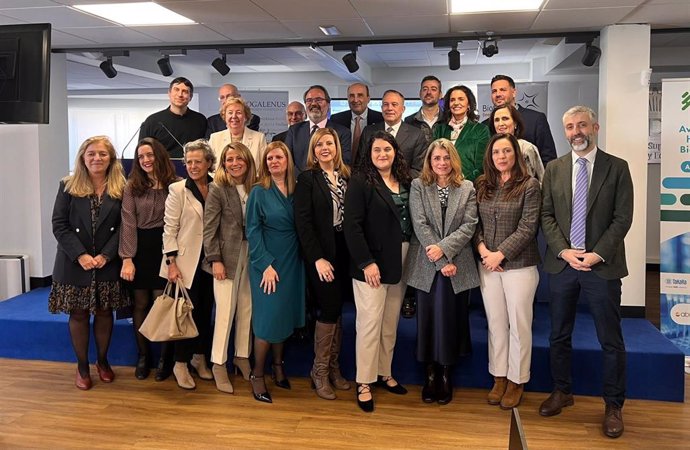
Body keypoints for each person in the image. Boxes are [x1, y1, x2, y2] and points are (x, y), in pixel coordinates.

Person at [540, 106, 633, 439]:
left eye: (581, 125)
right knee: (558, 335)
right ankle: (562, 391)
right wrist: (564, 251)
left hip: (601, 267)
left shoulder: (617, 168)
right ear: (564, 132)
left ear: (594, 127)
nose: (576, 131)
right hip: (563, 265)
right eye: (569, 127)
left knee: (610, 340)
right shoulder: (554, 168)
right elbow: (546, 215)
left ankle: (613, 405)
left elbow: (622, 219)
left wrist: (595, 255)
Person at [48, 135, 127, 390]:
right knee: (79, 314)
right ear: (83, 157)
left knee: (105, 313)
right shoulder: (68, 185)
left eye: (102, 154)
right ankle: (82, 367)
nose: (97, 158)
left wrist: (106, 254)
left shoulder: (122, 187)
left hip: (107, 261)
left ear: (111, 158)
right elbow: (59, 225)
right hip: (74, 263)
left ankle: (102, 362)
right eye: (91, 153)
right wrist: (80, 255)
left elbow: (126, 227)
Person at [406, 138, 479, 405]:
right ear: (429, 161)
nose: (441, 163)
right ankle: (430, 374)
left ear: (454, 160)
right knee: (428, 319)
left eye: (446, 158)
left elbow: (469, 225)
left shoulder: (468, 187)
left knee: (451, 319)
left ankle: (446, 372)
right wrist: (438, 259)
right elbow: (420, 224)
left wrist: (445, 251)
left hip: (458, 264)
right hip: (427, 263)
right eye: (436, 158)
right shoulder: (418, 186)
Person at [344, 131, 413, 412]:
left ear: (395, 151)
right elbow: (352, 225)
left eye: (387, 149)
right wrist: (366, 262)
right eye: (376, 151)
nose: (382, 154)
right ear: (369, 155)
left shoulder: (405, 180)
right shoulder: (361, 181)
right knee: (370, 324)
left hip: (402, 258)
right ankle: (364, 381)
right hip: (371, 263)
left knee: (389, 322)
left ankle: (384, 373)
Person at [474, 133, 541, 410]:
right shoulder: (482, 185)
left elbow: (528, 227)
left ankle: (517, 380)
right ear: (490, 156)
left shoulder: (529, 185)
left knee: (519, 325)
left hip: (519, 266)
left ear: (516, 154)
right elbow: (473, 221)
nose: (501, 157)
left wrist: (500, 254)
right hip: (487, 264)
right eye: (496, 152)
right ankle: (499, 377)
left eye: (506, 151)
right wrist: (483, 251)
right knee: (496, 325)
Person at [294, 128, 353, 400]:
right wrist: (317, 258)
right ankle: (318, 371)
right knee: (328, 308)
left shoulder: (348, 176)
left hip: (345, 251)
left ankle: (333, 367)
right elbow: (303, 223)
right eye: (319, 145)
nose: (324, 148)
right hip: (321, 254)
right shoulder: (307, 179)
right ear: (314, 151)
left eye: (329, 143)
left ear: (336, 147)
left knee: (338, 309)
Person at [246, 141, 306, 403]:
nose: (273, 162)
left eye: (278, 157)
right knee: (267, 321)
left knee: (284, 316)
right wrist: (265, 264)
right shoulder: (259, 191)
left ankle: (278, 366)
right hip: (267, 262)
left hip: (293, 260)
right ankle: (257, 375)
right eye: (269, 158)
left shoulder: (297, 189)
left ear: (287, 160)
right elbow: (252, 230)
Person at [119, 137, 178, 380]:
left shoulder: (175, 185)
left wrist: (172, 256)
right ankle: (143, 356)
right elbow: (128, 223)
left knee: (162, 303)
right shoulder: (132, 186)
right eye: (141, 156)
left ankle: (165, 358)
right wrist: (127, 258)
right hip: (140, 249)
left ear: (160, 155)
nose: (145, 160)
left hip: (166, 248)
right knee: (141, 303)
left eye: (149, 155)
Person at [159, 139, 216, 390]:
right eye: (189, 162)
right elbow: (169, 229)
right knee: (184, 315)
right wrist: (171, 263)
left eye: (198, 162)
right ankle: (179, 363)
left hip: (210, 263)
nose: (192, 166)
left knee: (204, 313)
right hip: (183, 264)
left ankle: (199, 357)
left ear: (208, 163)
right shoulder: (178, 190)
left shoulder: (218, 185)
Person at [203, 142, 257, 394]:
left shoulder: (255, 186)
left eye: (239, 159)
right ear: (223, 163)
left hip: (252, 255)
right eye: (229, 159)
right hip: (226, 257)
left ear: (247, 161)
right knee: (225, 312)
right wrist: (215, 260)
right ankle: (218, 363)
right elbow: (209, 229)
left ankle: (242, 356)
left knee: (247, 307)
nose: (234, 163)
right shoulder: (217, 189)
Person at [483, 75, 557, 167]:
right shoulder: (485, 126)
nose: (498, 94)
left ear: (514, 92)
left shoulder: (536, 119)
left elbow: (549, 159)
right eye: (494, 91)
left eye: (503, 90)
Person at [356, 90, 428, 177]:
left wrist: (392, 180)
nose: (389, 108)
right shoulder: (368, 132)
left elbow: (418, 170)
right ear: (382, 108)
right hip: (371, 186)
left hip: (403, 187)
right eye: (386, 104)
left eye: (394, 104)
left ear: (403, 109)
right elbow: (360, 165)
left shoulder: (417, 135)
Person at [285, 85, 352, 173]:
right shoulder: (294, 131)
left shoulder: (343, 132)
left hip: (329, 183)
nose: (313, 104)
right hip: (299, 183)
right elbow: (287, 159)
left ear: (328, 104)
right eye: (309, 100)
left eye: (318, 100)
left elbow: (343, 162)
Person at [139, 77, 207, 158]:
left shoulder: (200, 120)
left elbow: (206, 151)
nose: (180, 94)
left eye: (185, 91)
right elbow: (142, 153)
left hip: (193, 168)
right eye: (176, 90)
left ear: (190, 97)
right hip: (161, 169)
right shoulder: (152, 121)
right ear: (169, 93)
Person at [433, 85, 490, 182]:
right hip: (442, 184)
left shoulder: (481, 130)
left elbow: (483, 165)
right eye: (452, 100)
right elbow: (433, 159)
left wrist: (464, 182)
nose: (456, 103)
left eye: (461, 99)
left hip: (470, 186)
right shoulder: (439, 129)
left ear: (469, 104)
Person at [489, 104, 545, 182]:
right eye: (497, 120)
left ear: (515, 123)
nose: (500, 124)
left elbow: (540, 179)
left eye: (505, 119)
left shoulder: (527, 148)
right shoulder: (490, 148)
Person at [209, 96, 267, 168]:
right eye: (230, 113)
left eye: (238, 112)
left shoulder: (259, 138)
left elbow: (263, 168)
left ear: (245, 117)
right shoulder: (215, 138)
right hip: (222, 179)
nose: (234, 116)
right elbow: (210, 168)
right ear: (225, 116)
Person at [330, 83, 384, 160]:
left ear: (368, 98)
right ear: (347, 98)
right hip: (343, 168)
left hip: (370, 169)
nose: (355, 100)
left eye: (360, 95)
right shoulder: (336, 119)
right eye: (351, 96)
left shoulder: (380, 119)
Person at [404, 75, 443, 143]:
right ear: (420, 94)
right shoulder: (409, 121)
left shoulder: (448, 119)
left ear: (440, 95)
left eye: (433, 89)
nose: (428, 92)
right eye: (425, 89)